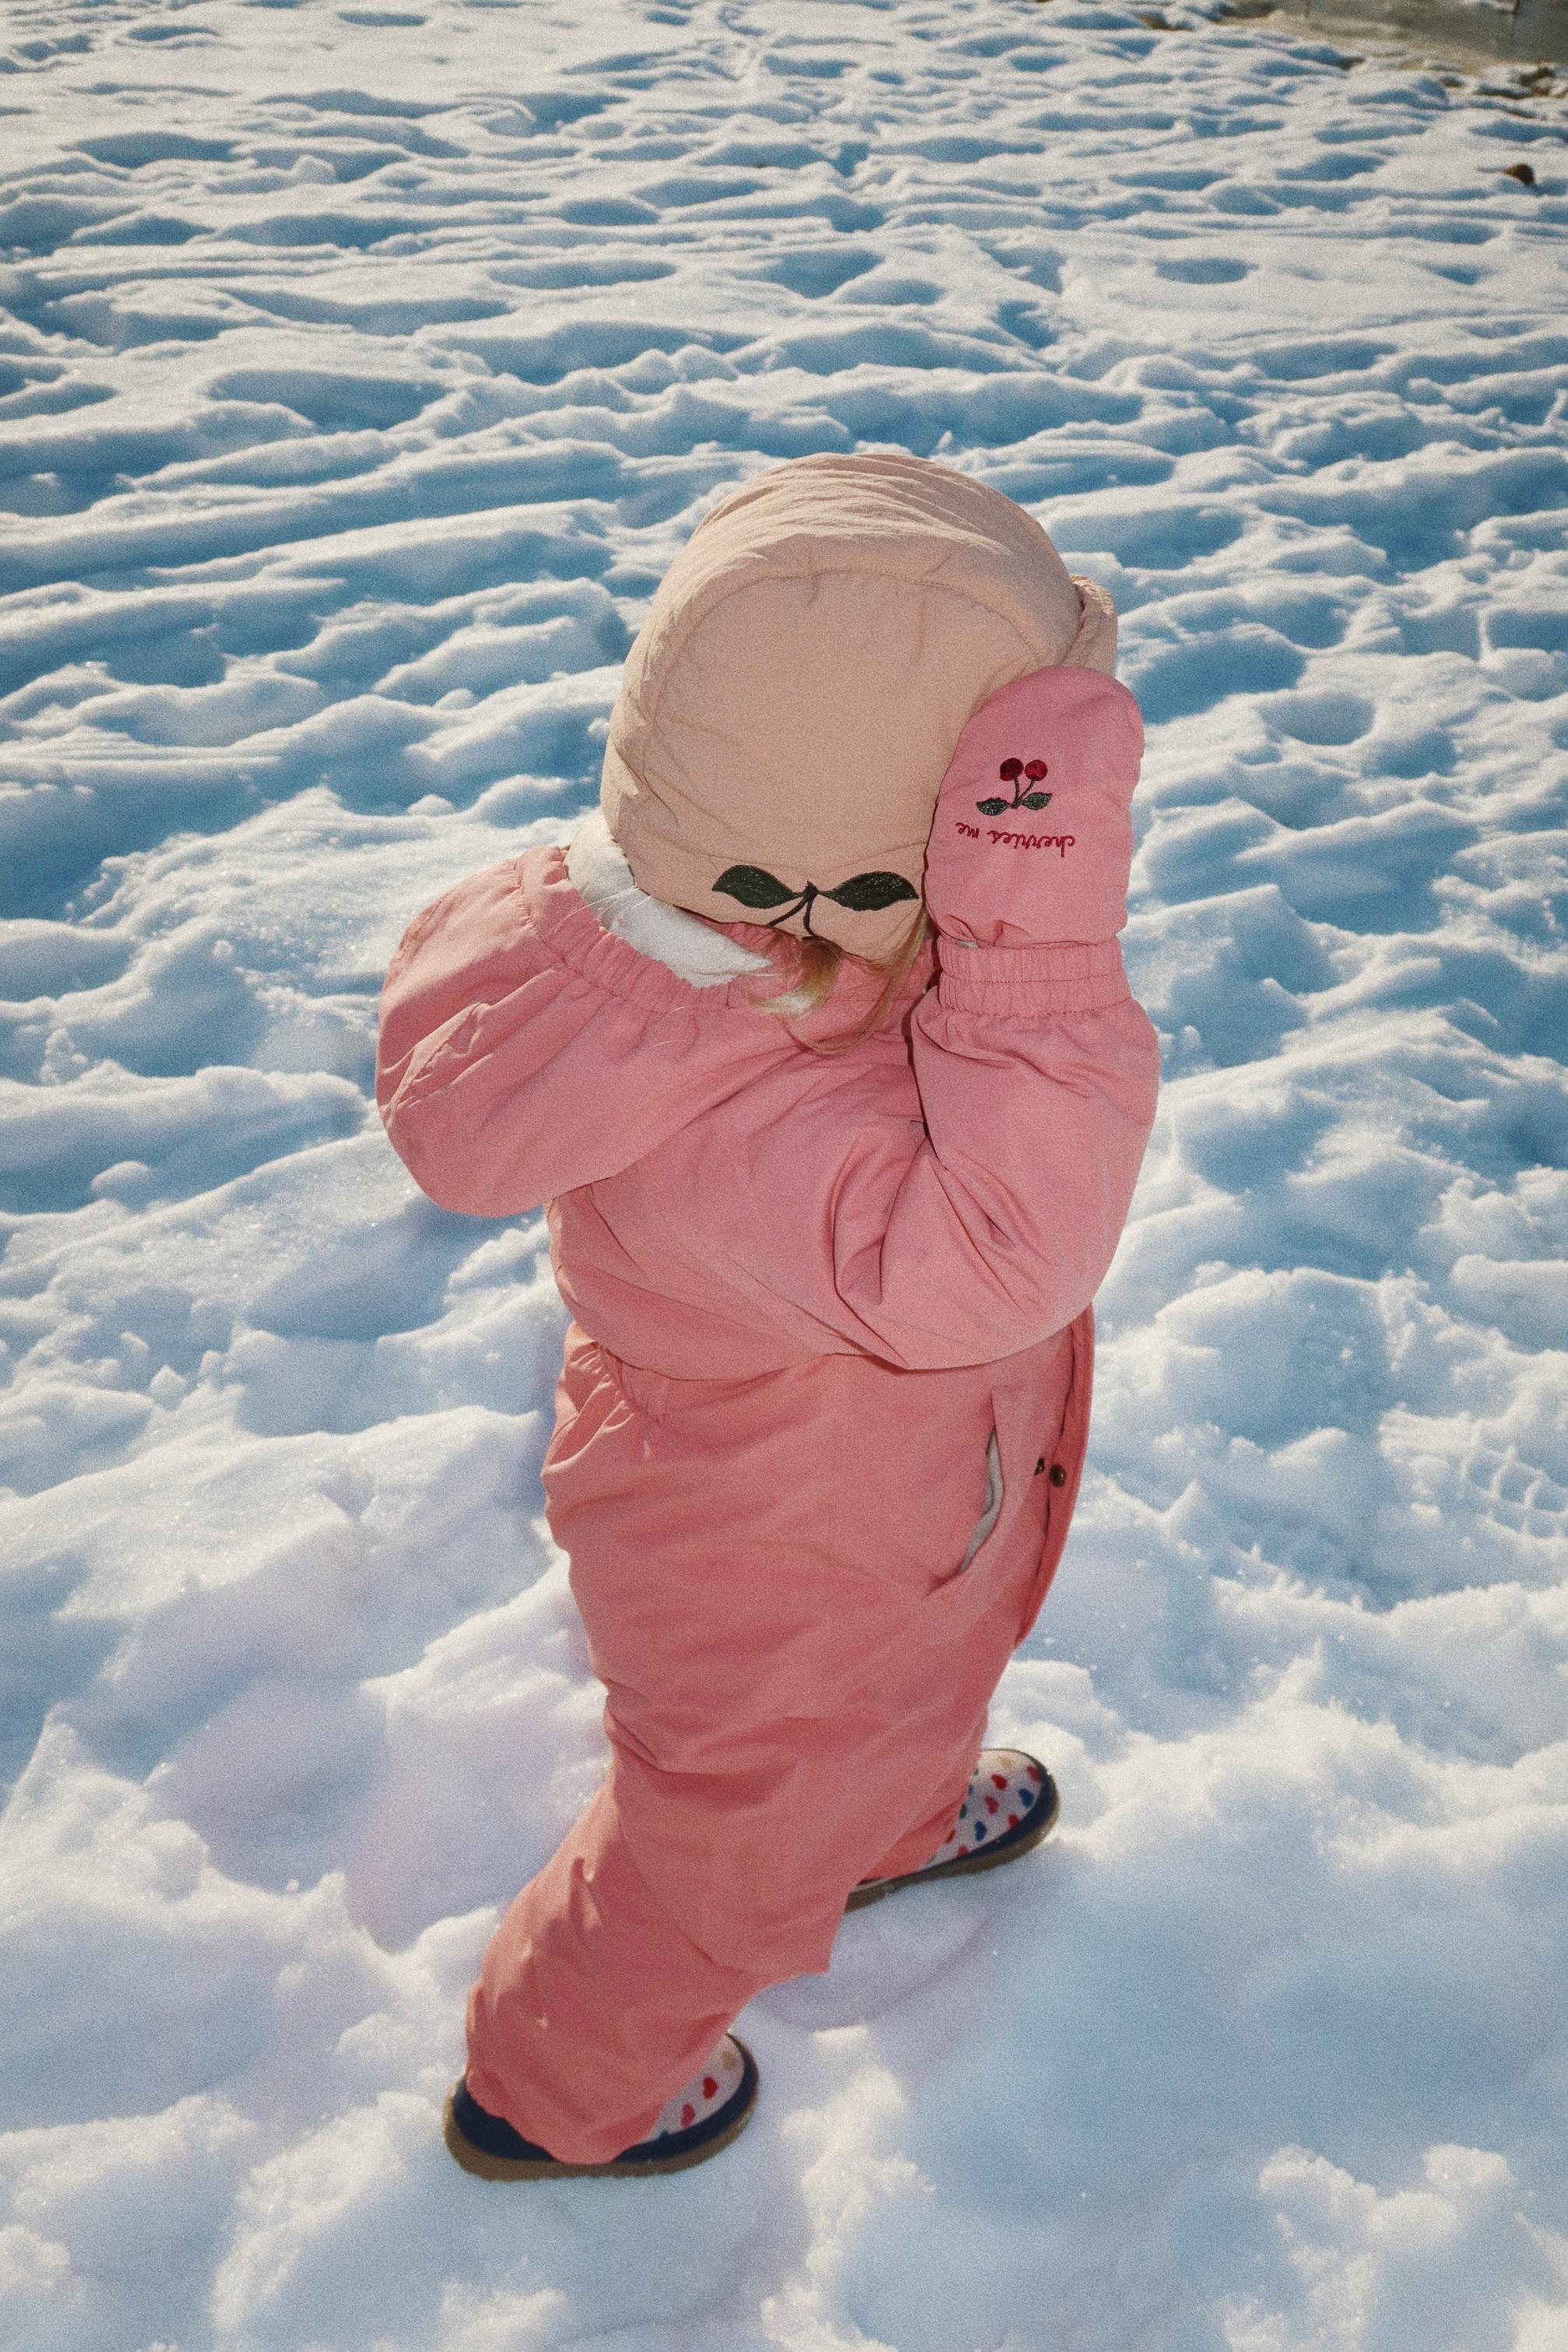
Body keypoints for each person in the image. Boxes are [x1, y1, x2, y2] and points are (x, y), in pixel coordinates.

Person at [375, 450, 1161, 2181]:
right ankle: (555, 2090)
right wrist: (1030, 965)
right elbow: (999, 1259)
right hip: (777, 1555)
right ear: (891, 846)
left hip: (851, 1511)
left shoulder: (699, 943)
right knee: (720, 1834)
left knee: (875, 1707)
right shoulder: (761, 1114)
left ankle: (878, 1818)